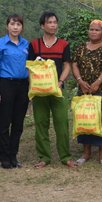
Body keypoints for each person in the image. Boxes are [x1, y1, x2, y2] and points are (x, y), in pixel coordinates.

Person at [27, 11, 78, 169]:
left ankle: (66, 157)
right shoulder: (35, 44)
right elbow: (30, 66)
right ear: (42, 25)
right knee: (41, 124)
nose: (53, 25)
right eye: (49, 22)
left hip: (57, 91)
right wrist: (33, 84)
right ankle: (44, 157)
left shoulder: (64, 44)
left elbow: (67, 65)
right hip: (39, 92)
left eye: (55, 22)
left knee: (62, 123)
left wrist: (61, 81)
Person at [72, 20, 102, 167]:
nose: (93, 32)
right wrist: (80, 81)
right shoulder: (81, 47)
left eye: (97, 30)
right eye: (91, 29)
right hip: (84, 90)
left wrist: (97, 82)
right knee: (85, 120)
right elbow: (74, 64)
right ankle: (86, 153)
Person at [0, 14, 29, 169]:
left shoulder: (26, 44)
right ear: (7, 26)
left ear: (22, 27)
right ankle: (4, 157)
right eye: (12, 24)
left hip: (23, 86)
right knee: (5, 123)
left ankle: (14, 156)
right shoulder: (0, 44)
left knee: (18, 124)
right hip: (6, 84)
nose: (15, 27)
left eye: (18, 24)